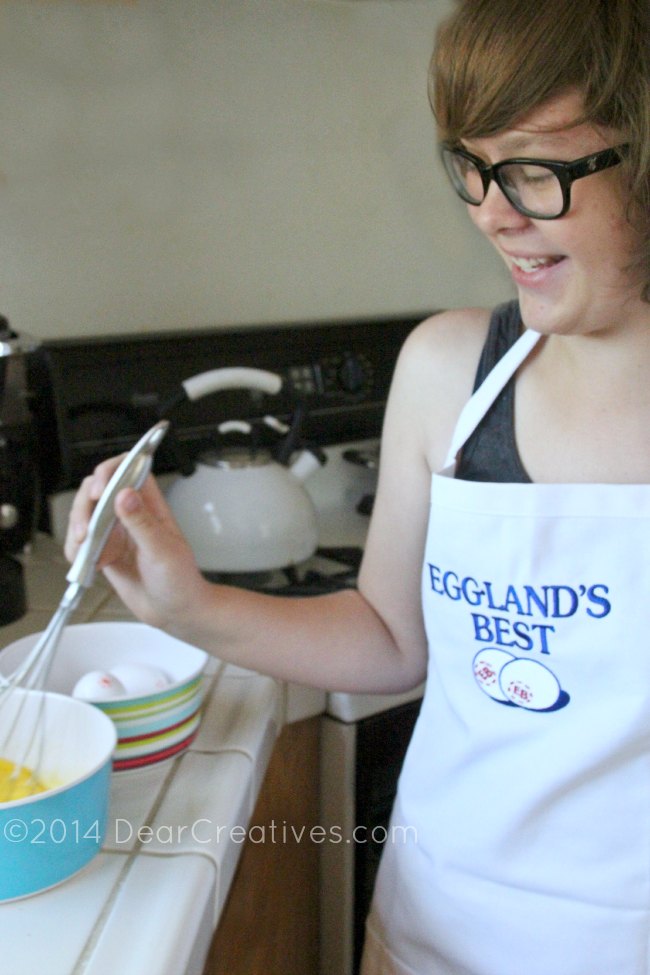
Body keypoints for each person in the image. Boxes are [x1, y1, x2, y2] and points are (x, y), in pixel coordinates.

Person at [65, 0, 650, 971]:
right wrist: (190, 605)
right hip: (429, 925)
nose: (489, 211)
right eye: (468, 165)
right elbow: (389, 639)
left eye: (532, 172)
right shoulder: (450, 372)